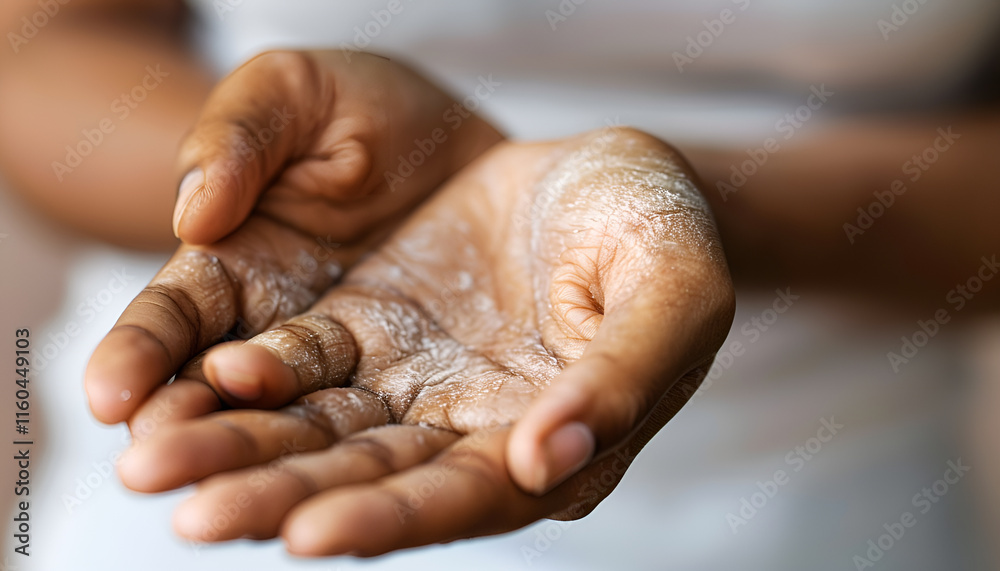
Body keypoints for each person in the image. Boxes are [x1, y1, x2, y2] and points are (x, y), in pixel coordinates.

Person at [2, 0, 998, 559]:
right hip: (209, 472)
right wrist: (276, 170)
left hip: (824, 518)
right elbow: (38, 54)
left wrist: (684, 208)